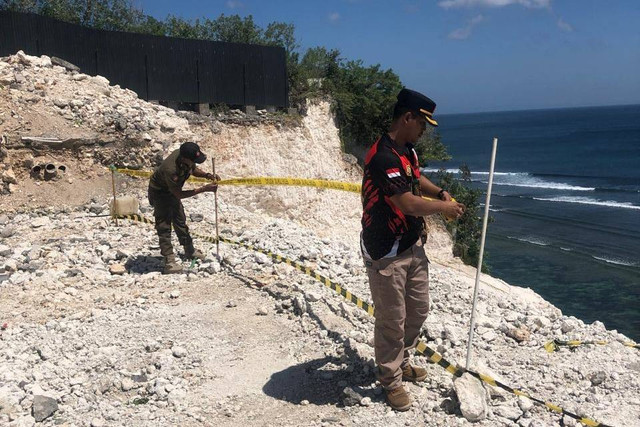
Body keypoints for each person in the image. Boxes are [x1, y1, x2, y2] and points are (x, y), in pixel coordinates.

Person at [361, 88, 465, 411]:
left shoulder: (408, 151)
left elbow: (415, 180)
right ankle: (390, 379)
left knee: (418, 310)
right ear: (407, 118)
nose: (424, 130)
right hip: (385, 250)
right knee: (392, 318)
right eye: (422, 124)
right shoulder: (382, 157)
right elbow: (406, 202)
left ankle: (402, 360)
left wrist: (442, 191)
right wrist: (442, 209)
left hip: (411, 244)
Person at [148, 142, 219, 274]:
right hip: (160, 193)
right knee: (164, 225)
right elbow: (179, 194)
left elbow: (192, 169)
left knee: (180, 219)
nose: (194, 163)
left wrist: (207, 175)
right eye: (193, 160)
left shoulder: (185, 158)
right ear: (185, 158)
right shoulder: (171, 170)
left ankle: (189, 250)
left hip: (172, 191)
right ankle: (169, 260)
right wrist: (203, 189)